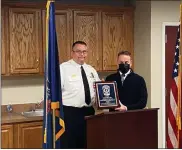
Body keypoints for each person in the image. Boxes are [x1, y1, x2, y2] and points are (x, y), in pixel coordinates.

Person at [59, 41, 100, 148]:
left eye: (84, 52)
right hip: (70, 113)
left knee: (87, 143)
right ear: (72, 53)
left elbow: (98, 91)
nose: (82, 54)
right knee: (70, 144)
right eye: (78, 51)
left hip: (89, 112)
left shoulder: (91, 70)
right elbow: (56, 91)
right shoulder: (63, 68)